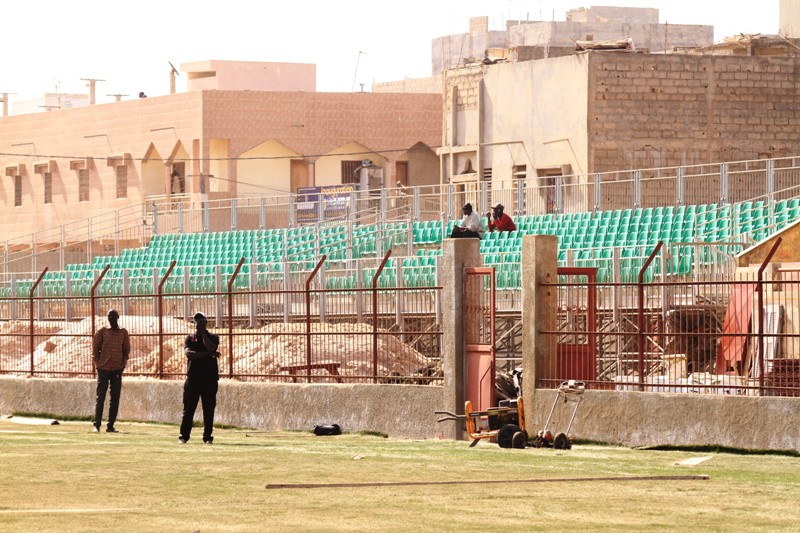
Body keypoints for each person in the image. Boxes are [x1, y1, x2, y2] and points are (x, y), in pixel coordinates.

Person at [179, 312, 220, 444]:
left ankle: (207, 437)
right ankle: (184, 436)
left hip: (209, 379)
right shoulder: (189, 339)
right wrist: (208, 354)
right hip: (193, 379)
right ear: (194, 323)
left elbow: (211, 346)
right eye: (197, 322)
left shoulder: (213, 337)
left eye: (202, 322)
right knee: (188, 409)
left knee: (208, 409)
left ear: (206, 323)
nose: (199, 325)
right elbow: (189, 354)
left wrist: (203, 334)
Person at [92, 309, 130, 433]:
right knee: (100, 396)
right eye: (109, 316)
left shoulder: (123, 332)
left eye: (113, 316)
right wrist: (97, 363)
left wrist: (123, 364)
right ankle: (96, 425)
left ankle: (110, 425)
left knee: (115, 398)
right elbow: (95, 348)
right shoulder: (102, 331)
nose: (111, 318)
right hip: (103, 368)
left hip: (117, 369)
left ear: (118, 317)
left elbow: (126, 349)